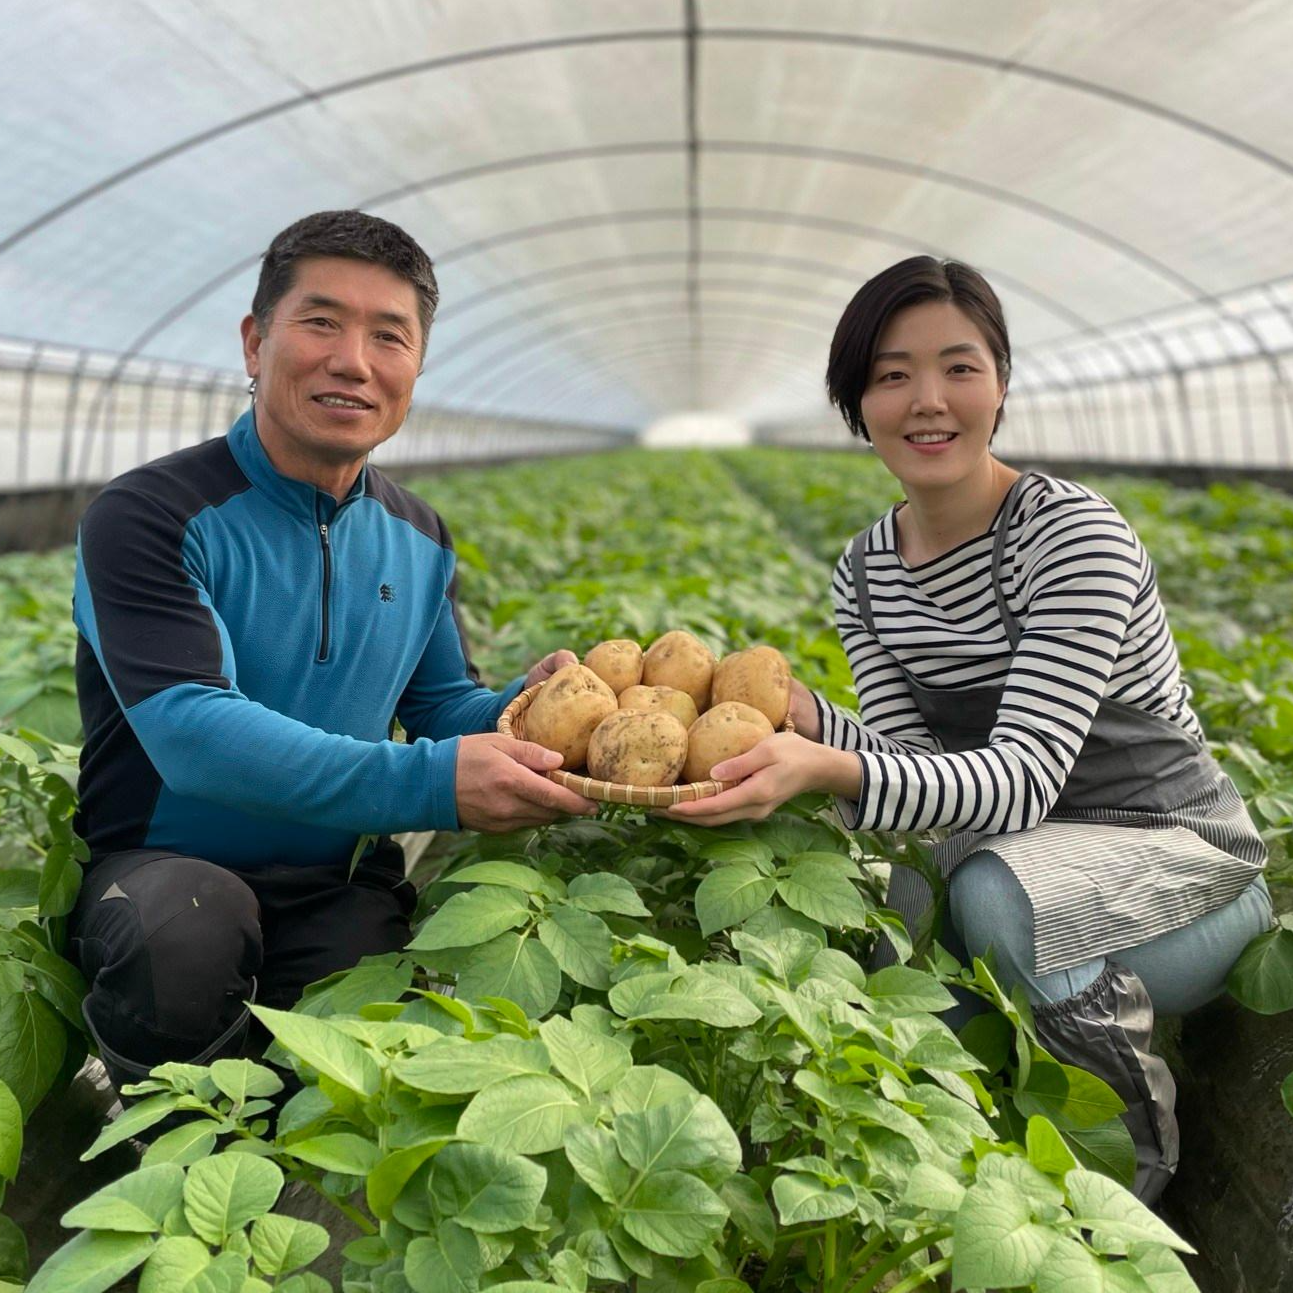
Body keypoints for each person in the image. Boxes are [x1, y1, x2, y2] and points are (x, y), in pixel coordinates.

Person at [665, 255, 1273, 1205]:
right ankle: (919, 1177)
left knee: (991, 898)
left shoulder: (1070, 534)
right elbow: (921, 772)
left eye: (958, 367)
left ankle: (1118, 1189)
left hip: (1180, 863)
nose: (927, 400)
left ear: (1000, 383)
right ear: (855, 400)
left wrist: (824, 765)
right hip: (1035, 850)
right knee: (904, 892)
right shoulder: (866, 572)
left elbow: (1022, 779)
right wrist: (807, 720)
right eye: (891, 374)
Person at [68, 209, 595, 1097]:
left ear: (415, 368)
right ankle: (160, 1143)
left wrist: (529, 704)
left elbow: (438, 707)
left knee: (354, 1081)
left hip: (334, 877)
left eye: (388, 336)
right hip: (162, 872)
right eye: (321, 322)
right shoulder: (150, 515)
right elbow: (192, 733)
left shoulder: (418, 535)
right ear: (254, 340)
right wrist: (428, 783)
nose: (353, 359)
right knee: (185, 930)